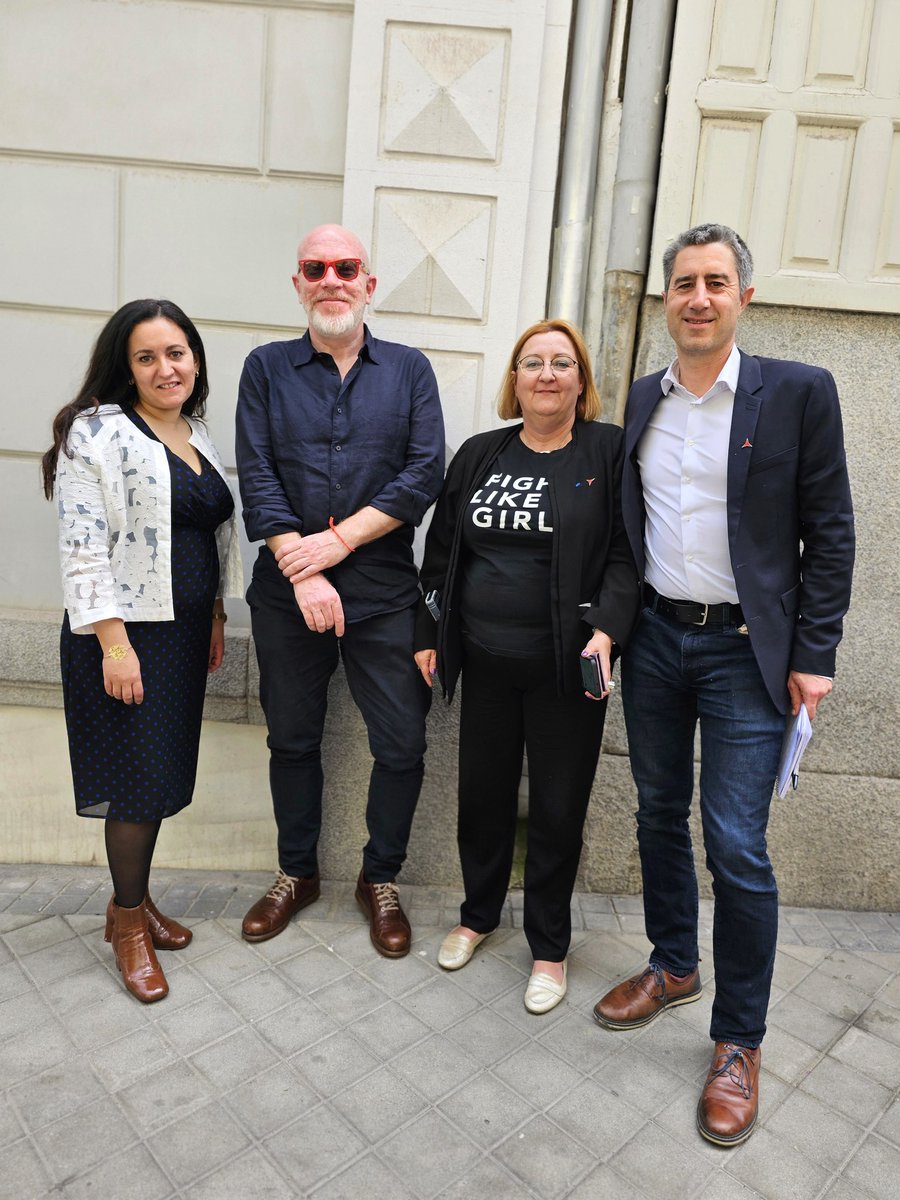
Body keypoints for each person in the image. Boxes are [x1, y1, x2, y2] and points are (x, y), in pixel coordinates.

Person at [591, 224, 855, 1144]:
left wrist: (813, 653)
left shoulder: (797, 393)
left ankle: (738, 1041)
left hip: (749, 654)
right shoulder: (644, 399)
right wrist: (614, 631)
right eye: (683, 284)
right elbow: (633, 532)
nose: (697, 297)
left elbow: (832, 531)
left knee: (736, 842)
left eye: (715, 282)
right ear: (666, 301)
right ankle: (673, 965)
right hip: (660, 640)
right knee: (656, 811)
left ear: (745, 295)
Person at [414, 319, 639, 1013]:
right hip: (483, 663)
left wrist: (607, 629)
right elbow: (444, 551)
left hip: (566, 672)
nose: (546, 374)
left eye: (561, 364)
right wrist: (429, 632)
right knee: (480, 798)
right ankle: (477, 916)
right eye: (532, 362)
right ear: (514, 379)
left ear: (581, 382)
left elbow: (630, 555)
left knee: (556, 809)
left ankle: (548, 948)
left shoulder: (608, 451)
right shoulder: (482, 454)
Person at [235, 224, 444, 957]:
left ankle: (377, 878)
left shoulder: (410, 371)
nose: (332, 278)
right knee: (292, 739)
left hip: (385, 593)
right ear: (298, 284)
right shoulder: (265, 369)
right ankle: (298, 873)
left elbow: (424, 473)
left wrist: (341, 541)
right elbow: (255, 477)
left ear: (368, 283)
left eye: (346, 267)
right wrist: (307, 568)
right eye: (315, 268)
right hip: (286, 594)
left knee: (403, 743)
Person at [42, 299, 242, 1004]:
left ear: (195, 358)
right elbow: (82, 545)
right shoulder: (94, 433)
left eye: (177, 352)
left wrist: (216, 612)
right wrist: (114, 646)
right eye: (147, 356)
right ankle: (127, 923)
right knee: (133, 783)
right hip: (125, 638)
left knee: (157, 776)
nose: (166, 368)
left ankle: (137, 899)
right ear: (125, 367)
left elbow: (213, 536)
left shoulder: (199, 433)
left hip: (185, 634)